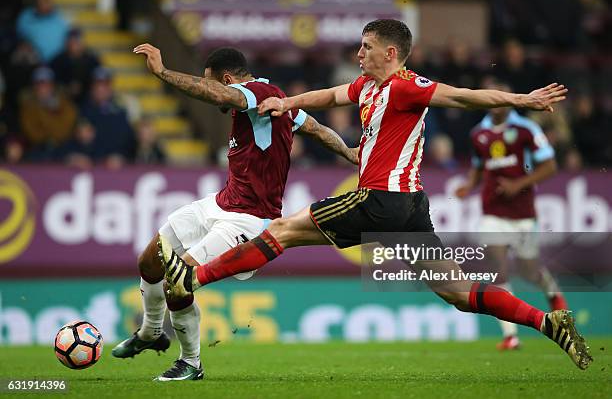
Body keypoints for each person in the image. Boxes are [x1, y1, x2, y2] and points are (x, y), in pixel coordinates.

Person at [162, 19, 592, 371]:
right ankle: (546, 320)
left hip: (379, 198)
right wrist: (288, 101)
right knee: (457, 293)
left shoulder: (406, 86)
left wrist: (523, 99)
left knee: (282, 229)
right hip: (410, 209)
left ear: (390, 53)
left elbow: (462, 97)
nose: (358, 54)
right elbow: (331, 95)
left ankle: (192, 277)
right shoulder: (366, 87)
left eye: (366, 47)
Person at [111, 45, 358, 381]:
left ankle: (191, 363)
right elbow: (314, 127)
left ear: (227, 80)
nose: (218, 102)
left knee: (179, 284)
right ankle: (151, 331)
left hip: (248, 219)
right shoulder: (276, 103)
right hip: (220, 202)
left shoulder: (257, 93)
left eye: (216, 87)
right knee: (149, 261)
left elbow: (216, 93)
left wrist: (163, 73)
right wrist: (347, 151)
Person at [455, 81, 568, 351]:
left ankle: (554, 294)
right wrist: (469, 185)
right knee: (498, 269)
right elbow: (479, 166)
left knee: (529, 271)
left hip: (523, 212)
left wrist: (519, 184)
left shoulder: (526, 129)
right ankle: (511, 336)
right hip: (492, 211)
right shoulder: (478, 133)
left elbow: (550, 165)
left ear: (509, 100)